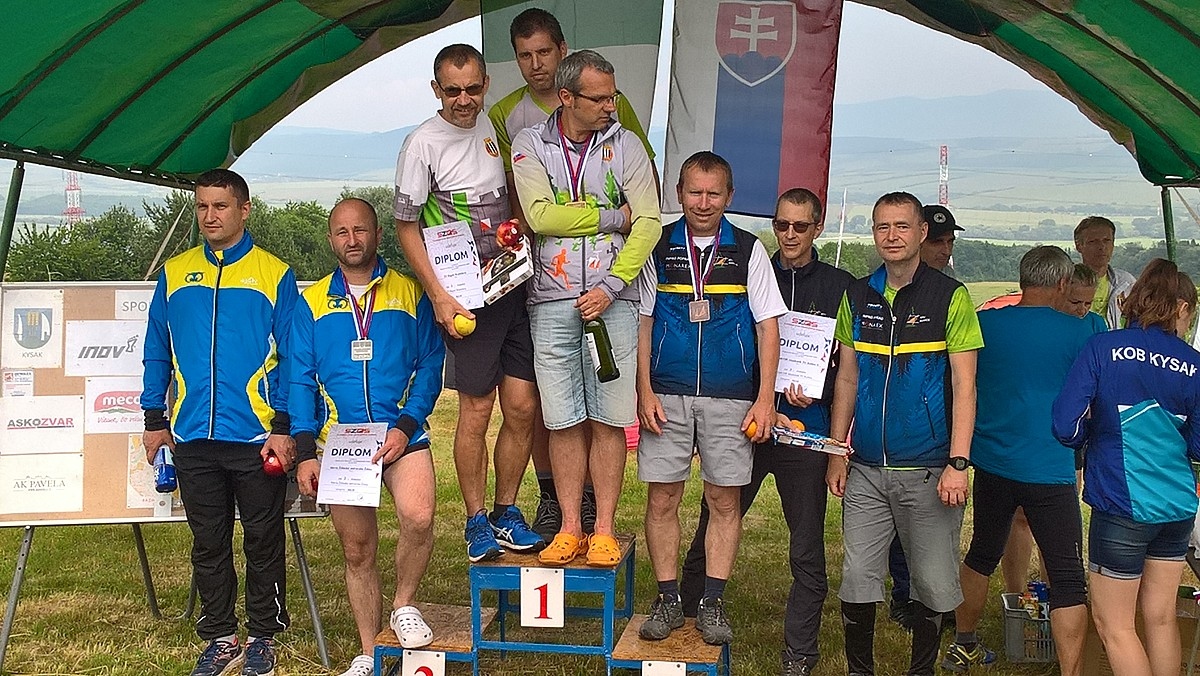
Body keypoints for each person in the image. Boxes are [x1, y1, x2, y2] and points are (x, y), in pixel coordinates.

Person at [487, 7, 657, 543]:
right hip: (552, 297)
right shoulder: (529, 143)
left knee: (609, 419)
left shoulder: (626, 143)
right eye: (600, 99)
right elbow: (540, 217)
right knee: (560, 419)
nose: (612, 107)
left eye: (612, 96)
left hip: (614, 299)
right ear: (568, 98)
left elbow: (649, 221)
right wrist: (611, 217)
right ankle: (566, 526)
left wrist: (612, 285)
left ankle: (602, 528)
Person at [677, 187, 849, 673]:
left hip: (806, 431)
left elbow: (846, 365)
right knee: (713, 521)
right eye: (781, 225)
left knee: (807, 549)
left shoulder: (840, 285)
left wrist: (817, 388)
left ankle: (799, 653)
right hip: (749, 425)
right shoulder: (754, 268)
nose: (789, 235)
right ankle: (685, 620)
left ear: (817, 228)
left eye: (800, 226)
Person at [141, 168, 298, 676]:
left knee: (262, 540)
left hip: (256, 435)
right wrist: (154, 417)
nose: (210, 216)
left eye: (220, 206)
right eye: (202, 206)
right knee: (208, 542)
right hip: (192, 435)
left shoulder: (274, 273)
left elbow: (294, 359)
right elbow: (156, 350)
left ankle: (263, 636)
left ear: (244, 210)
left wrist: (284, 426)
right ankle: (220, 636)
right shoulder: (174, 272)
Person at [394, 44, 543, 563]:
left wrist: (521, 229)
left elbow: (507, 193)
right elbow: (405, 226)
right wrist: (439, 295)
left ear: (485, 85)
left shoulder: (491, 127)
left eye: (473, 89)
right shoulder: (421, 144)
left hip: (513, 287)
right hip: (466, 300)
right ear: (436, 90)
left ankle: (506, 513)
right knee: (477, 409)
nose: (464, 99)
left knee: (522, 407)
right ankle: (476, 520)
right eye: (452, 90)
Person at [826, 191, 983, 676]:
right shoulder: (857, 295)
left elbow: (966, 385)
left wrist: (958, 463)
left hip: (930, 468)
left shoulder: (951, 296)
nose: (891, 236)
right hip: (866, 466)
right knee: (857, 577)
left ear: (920, 233)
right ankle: (860, 671)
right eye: (882, 227)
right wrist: (836, 450)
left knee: (932, 581)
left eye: (902, 226)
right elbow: (847, 378)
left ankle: (921, 671)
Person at [636, 151, 785, 646]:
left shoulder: (748, 250)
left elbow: (768, 327)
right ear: (679, 193)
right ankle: (667, 597)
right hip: (667, 392)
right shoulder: (658, 246)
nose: (703, 203)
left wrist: (765, 399)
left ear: (729, 196)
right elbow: (643, 322)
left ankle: (712, 601)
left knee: (724, 499)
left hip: (732, 396)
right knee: (663, 497)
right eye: (694, 192)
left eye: (713, 193)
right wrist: (643, 390)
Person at [290, 199, 444, 676]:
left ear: (378, 234)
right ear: (331, 239)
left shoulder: (411, 291)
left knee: (418, 516)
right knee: (357, 550)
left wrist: (407, 424)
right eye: (341, 232)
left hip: (402, 432)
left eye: (360, 230)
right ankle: (369, 652)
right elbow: (299, 379)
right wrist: (305, 451)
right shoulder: (312, 301)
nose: (351, 239)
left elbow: (431, 364)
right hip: (343, 440)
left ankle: (403, 604)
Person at [941, 246, 1103, 676]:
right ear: (1063, 283)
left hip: (992, 462)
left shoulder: (986, 324)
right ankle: (1071, 669)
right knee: (1067, 577)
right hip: (1051, 467)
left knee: (981, 554)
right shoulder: (1082, 332)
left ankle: (963, 643)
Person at [1053, 259, 1200, 676]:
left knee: (1115, 627)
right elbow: (1199, 445)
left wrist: (1092, 438)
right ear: (1180, 308)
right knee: (1161, 618)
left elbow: (1065, 424)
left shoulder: (1103, 348)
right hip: (1176, 505)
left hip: (1121, 504)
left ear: (1132, 300)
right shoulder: (1194, 363)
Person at [1074, 216, 1134, 329]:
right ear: (1078, 246)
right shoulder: (1066, 283)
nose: (1102, 247)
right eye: (1093, 242)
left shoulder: (1126, 283)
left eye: (1107, 241)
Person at [919, 204, 963, 273]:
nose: (947, 252)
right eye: (937, 242)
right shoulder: (901, 277)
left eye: (950, 242)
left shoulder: (948, 274)